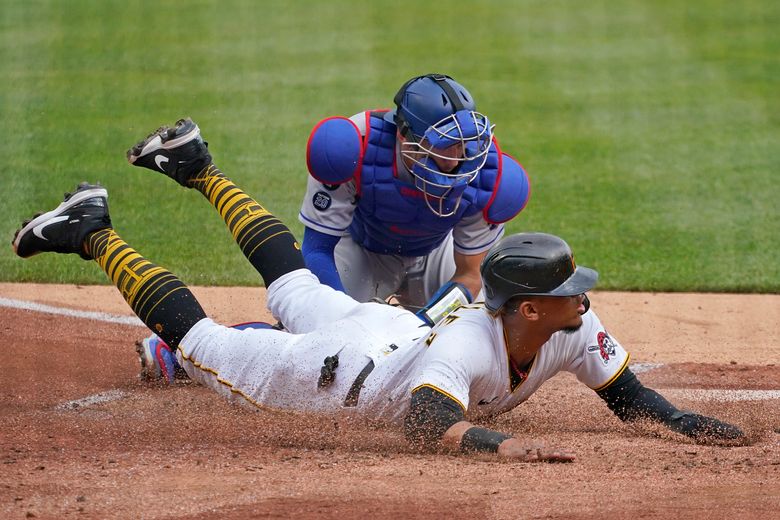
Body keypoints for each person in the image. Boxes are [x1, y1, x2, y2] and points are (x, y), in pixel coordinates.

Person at [12, 118, 745, 462]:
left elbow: (629, 398)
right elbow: (425, 426)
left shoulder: (572, 329)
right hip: (331, 380)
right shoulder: (468, 343)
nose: (583, 302)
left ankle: (199, 166)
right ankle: (91, 232)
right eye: (569, 293)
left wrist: (691, 426)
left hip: (379, 330)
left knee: (293, 280)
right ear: (528, 308)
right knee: (201, 341)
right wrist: (506, 447)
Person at [299, 73, 531, 323]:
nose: (455, 160)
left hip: (437, 253)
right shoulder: (353, 145)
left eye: (462, 144)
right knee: (318, 314)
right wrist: (342, 320)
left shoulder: (488, 174)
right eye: (443, 145)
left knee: (480, 320)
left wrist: (424, 326)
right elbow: (317, 249)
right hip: (362, 251)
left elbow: (470, 275)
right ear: (403, 135)